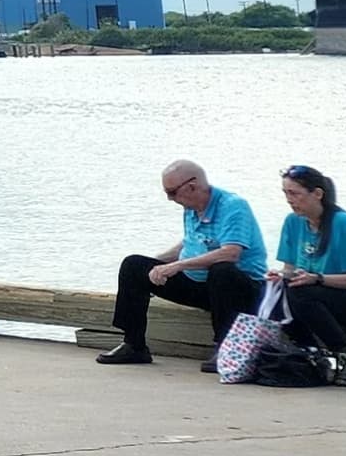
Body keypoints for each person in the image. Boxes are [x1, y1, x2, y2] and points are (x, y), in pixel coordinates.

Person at [100, 158, 268, 368]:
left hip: (239, 289)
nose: (170, 199)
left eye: (172, 192)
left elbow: (231, 253)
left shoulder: (233, 206)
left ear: (192, 186)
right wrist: (158, 264)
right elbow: (188, 244)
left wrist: (178, 266)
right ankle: (133, 344)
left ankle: (226, 348)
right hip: (199, 284)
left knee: (221, 270)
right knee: (133, 265)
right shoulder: (191, 207)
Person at [267, 164, 346, 378]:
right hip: (316, 296)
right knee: (275, 289)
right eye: (285, 193)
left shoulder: (344, 224)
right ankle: (310, 351)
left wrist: (318, 278)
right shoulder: (292, 222)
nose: (289, 199)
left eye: (294, 193)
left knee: (301, 291)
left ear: (317, 194)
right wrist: (279, 276)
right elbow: (289, 270)